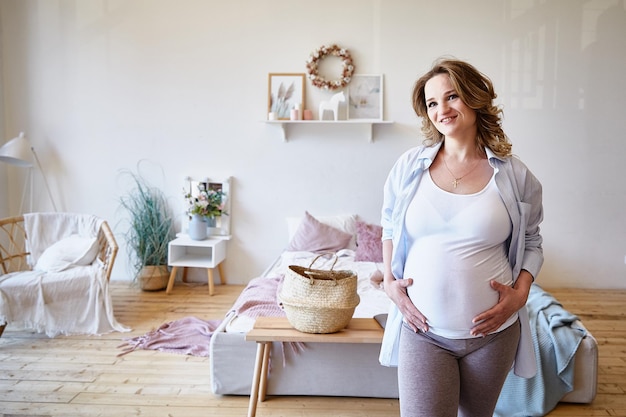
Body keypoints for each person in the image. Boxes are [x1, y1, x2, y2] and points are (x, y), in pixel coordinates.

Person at [379, 58, 544, 417]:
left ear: (473, 97)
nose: (442, 110)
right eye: (432, 103)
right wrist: (390, 283)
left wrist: (521, 293)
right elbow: (390, 225)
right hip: (424, 333)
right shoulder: (409, 167)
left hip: (494, 336)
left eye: (451, 97)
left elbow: (532, 240)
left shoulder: (514, 175)